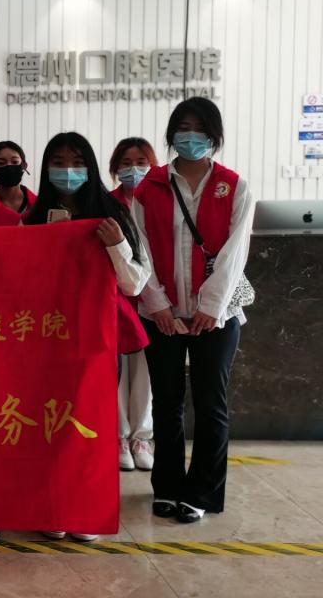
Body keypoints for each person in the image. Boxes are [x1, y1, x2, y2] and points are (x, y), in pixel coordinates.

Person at [131, 98, 254, 524]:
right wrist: (159, 305)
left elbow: (236, 252)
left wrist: (211, 306)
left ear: (214, 135)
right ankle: (166, 487)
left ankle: (201, 491)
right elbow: (140, 251)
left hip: (215, 318)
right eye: (182, 127)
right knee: (166, 404)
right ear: (171, 135)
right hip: (162, 316)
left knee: (210, 404)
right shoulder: (148, 188)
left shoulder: (234, 186)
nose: (190, 136)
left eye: (199, 128)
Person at [25, 131, 152, 542]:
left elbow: (135, 282)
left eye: (77, 161)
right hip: (46, 339)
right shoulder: (32, 216)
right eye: (58, 162)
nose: (68, 170)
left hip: (97, 339)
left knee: (92, 424)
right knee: (50, 425)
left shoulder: (113, 211)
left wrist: (117, 246)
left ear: (92, 166)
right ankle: (53, 506)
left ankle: (85, 509)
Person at [108, 137, 159, 472]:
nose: (134, 169)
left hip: (155, 300)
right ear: (115, 168)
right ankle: (120, 436)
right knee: (117, 374)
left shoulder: (161, 201)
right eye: (126, 163)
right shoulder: (107, 203)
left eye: (141, 162)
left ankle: (142, 437)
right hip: (118, 299)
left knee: (145, 375)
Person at [0, 140, 38, 217]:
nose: (9, 166)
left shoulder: (39, 205)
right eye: (1, 163)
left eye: (15, 162)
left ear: (24, 166)